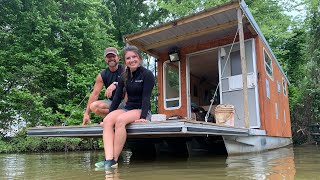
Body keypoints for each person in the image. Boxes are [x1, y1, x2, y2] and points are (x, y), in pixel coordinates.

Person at [95, 45, 155, 169]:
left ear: (140, 58)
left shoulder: (147, 74)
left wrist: (143, 116)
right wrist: (109, 115)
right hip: (128, 108)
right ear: (125, 61)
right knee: (107, 121)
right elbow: (117, 98)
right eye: (128, 58)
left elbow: (146, 97)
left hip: (142, 109)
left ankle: (114, 161)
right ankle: (108, 159)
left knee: (120, 120)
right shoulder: (124, 75)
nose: (132, 60)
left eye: (134, 57)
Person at [82, 47, 125, 125]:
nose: (111, 59)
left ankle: (118, 116)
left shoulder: (125, 69)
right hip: (113, 103)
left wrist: (116, 84)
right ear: (105, 59)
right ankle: (115, 116)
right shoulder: (102, 75)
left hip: (127, 101)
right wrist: (86, 114)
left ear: (118, 57)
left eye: (113, 56)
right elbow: (95, 94)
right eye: (109, 57)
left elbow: (132, 83)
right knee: (94, 106)